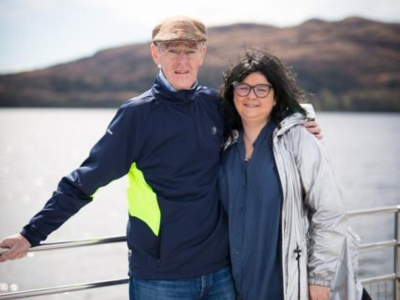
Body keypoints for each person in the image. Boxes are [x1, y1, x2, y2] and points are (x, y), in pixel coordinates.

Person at [0, 17, 321, 300]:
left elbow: (262, 113)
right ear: (156, 54)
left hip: (222, 273)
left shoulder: (216, 105)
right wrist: (32, 234)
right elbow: (84, 181)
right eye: (172, 50)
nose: (182, 60)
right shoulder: (136, 115)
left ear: (202, 53)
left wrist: (300, 123)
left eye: (190, 50)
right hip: (161, 278)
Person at [218, 49, 366, 300]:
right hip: (231, 285)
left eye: (261, 89)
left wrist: (320, 277)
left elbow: (329, 211)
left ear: (276, 96)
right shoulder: (223, 145)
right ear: (233, 94)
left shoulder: (299, 140)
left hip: (285, 283)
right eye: (243, 88)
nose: (251, 96)